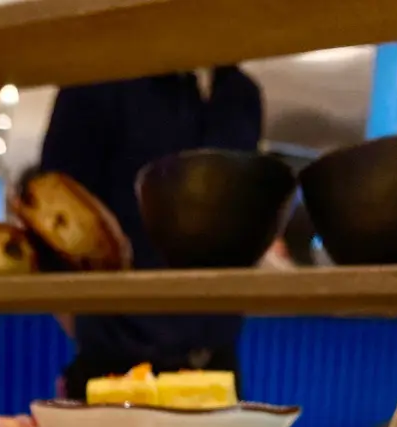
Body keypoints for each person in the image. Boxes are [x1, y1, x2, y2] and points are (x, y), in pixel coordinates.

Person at [39, 68, 264, 400]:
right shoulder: (100, 77)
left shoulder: (241, 95)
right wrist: (98, 332)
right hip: (115, 367)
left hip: (217, 367)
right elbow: (49, 219)